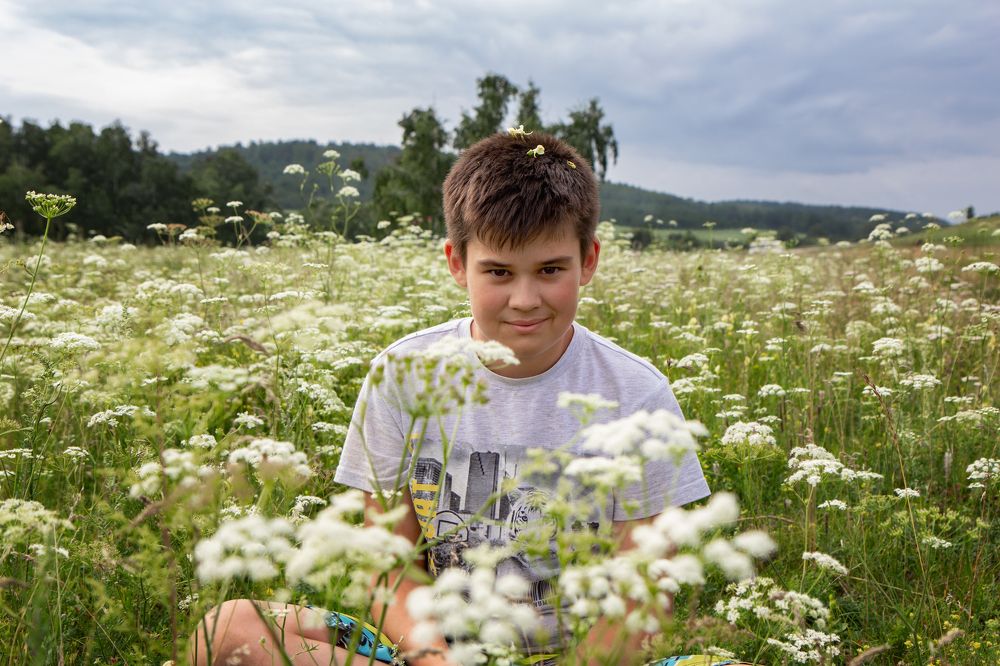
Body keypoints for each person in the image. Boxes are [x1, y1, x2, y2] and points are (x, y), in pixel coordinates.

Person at [189, 133, 716, 666]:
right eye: (499, 272)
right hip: (434, 651)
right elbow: (388, 561)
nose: (525, 299)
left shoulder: (636, 392)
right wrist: (432, 657)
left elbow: (642, 596)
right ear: (457, 264)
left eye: (551, 270)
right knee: (226, 630)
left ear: (589, 260)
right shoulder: (403, 374)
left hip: (584, 657)